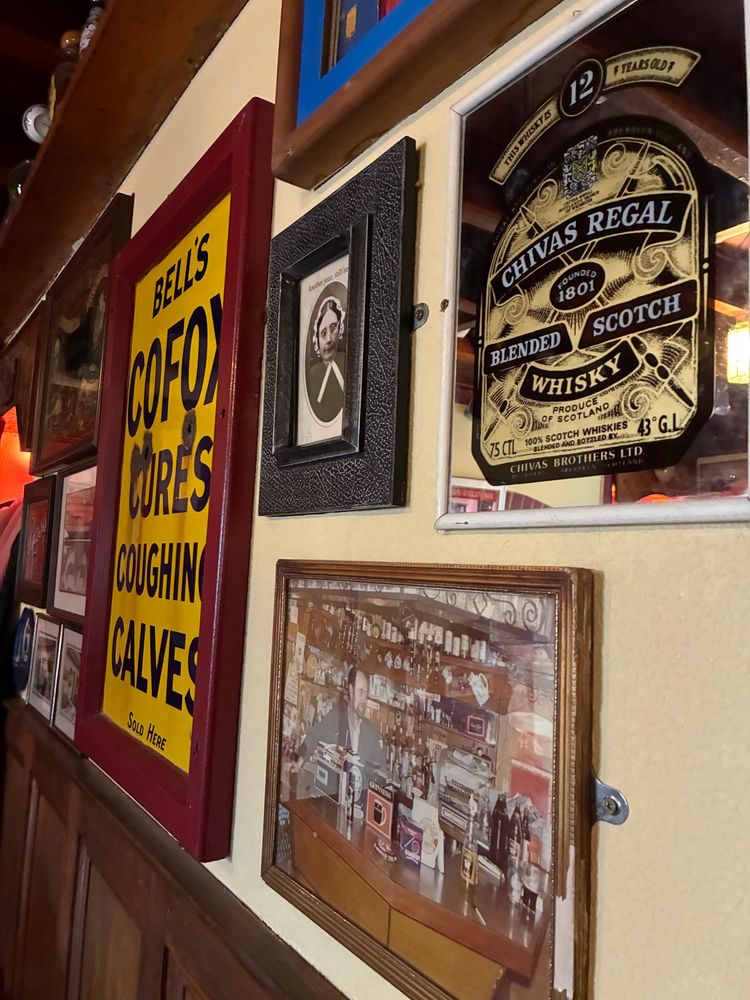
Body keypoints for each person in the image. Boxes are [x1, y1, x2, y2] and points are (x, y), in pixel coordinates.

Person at [300, 664, 385, 772]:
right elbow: (312, 737)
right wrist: (298, 761)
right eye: (361, 692)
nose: (364, 699)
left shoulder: (370, 732)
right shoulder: (336, 718)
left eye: (366, 694)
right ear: (351, 690)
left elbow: (380, 769)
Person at [306, 296, 346, 423]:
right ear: (316, 340)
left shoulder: (349, 364)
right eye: (323, 333)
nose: (329, 339)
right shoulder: (312, 376)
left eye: (333, 327)